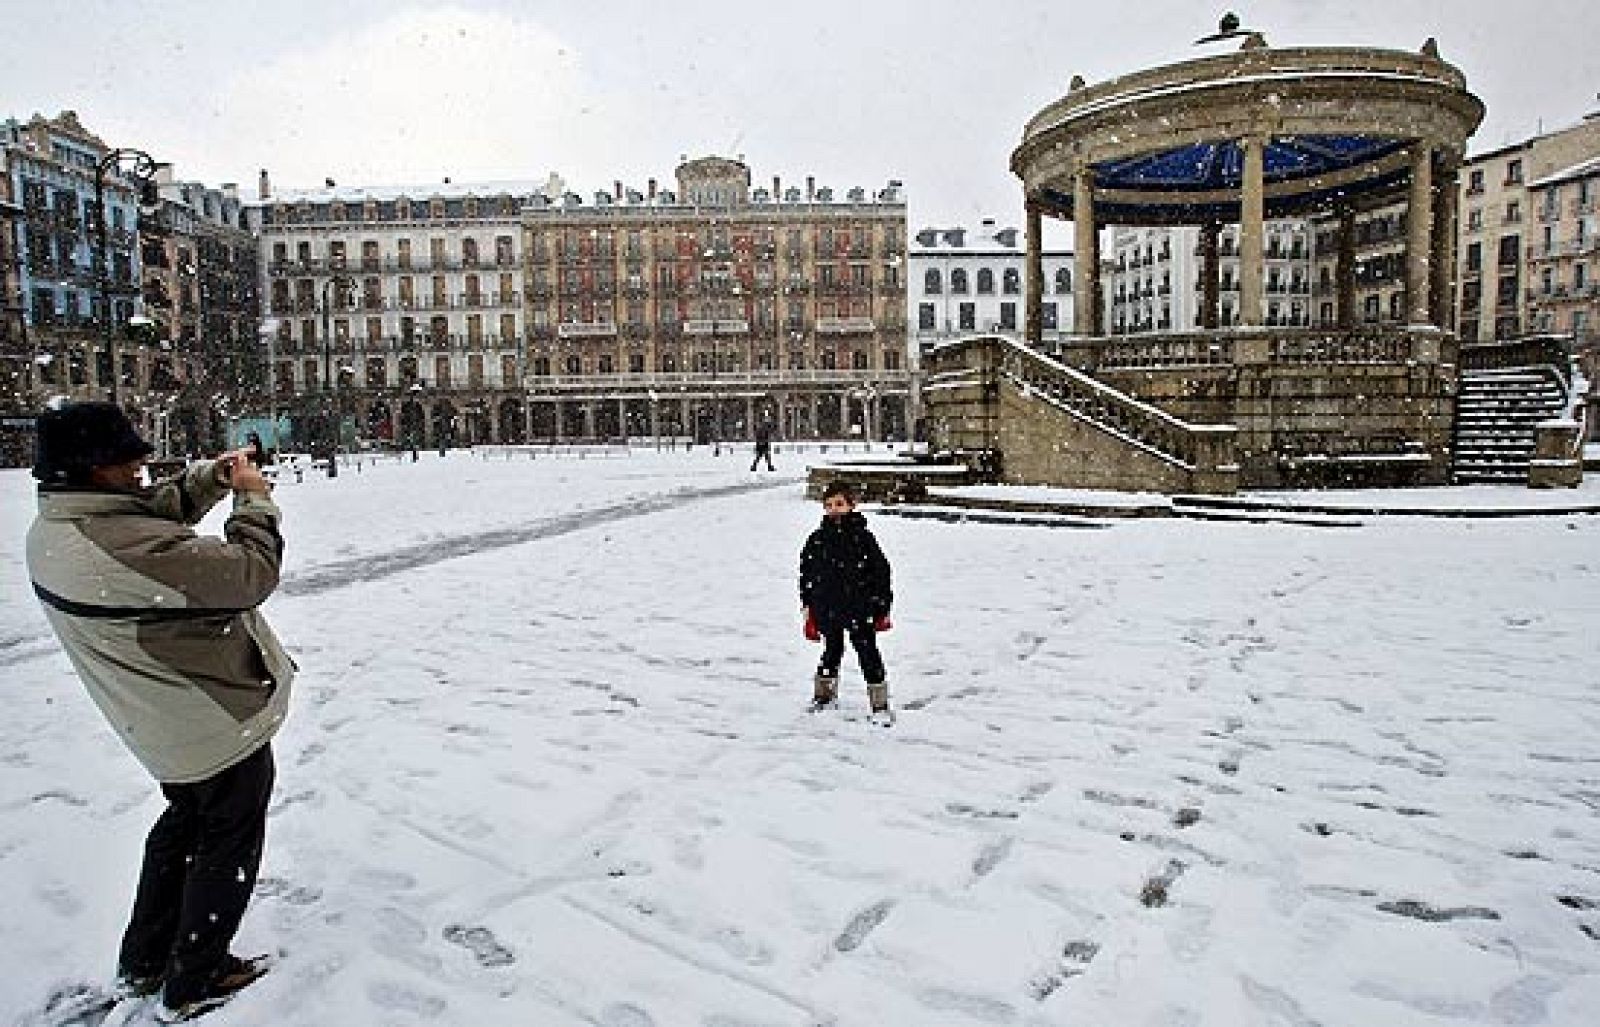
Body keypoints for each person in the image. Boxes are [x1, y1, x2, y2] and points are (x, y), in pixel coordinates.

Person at [24, 400, 294, 1023]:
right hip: (206, 718)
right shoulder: (113, 549)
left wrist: (212, 479)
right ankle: (197, 975)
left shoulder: (67, 527)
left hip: (163, 718)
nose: (143, 463)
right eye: (128, 458)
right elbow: (250, 574)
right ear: (91, 469)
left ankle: (145, 960)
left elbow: (145, 522)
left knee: (184, 827)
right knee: (227, 837)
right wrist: (253, 501)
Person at [799, 480, 895, 725]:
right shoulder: (817, 540)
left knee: (868, 653)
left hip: (859, 607)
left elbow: (881, 572)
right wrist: (808, 606)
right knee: (831, 651)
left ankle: (880, 704)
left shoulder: (863, 539)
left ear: (852, 505)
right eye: (829, 505)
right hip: (828, 608)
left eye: (839, 504)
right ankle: (823, 695)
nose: (834, 509)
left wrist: (882, 606)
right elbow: (807, 574)